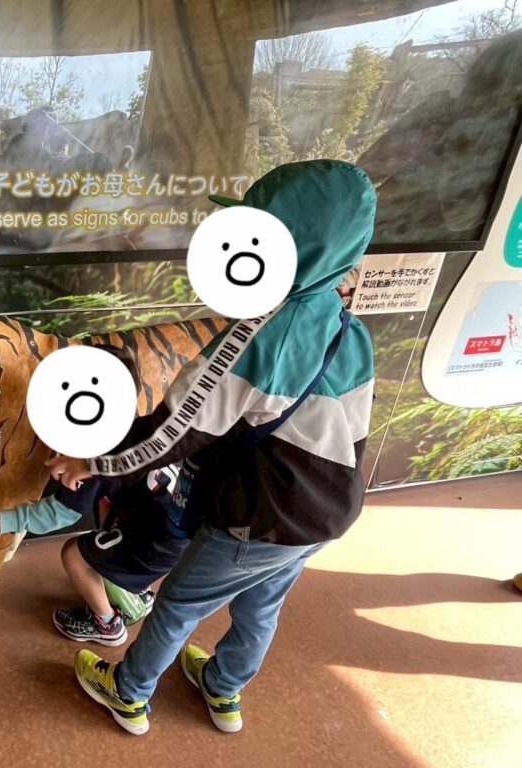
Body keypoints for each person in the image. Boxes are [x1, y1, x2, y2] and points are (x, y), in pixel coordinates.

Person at [49, 159, 377, 736]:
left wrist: (90, 460)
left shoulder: (255, 338)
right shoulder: (349, 326)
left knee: (178, 603)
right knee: (261, 605)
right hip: (327, 514)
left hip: (259, 520)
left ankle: (128, 693)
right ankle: (223, 689)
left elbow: (172, 431)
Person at [0, 466, 196, 646]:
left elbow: (59, 514)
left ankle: (106, 624)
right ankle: (137, 590)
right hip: (178, 537)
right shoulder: (131, 434)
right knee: (110, 518)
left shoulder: (93, 462)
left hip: (151, 548)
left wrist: (2, 519)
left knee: (73, 554)